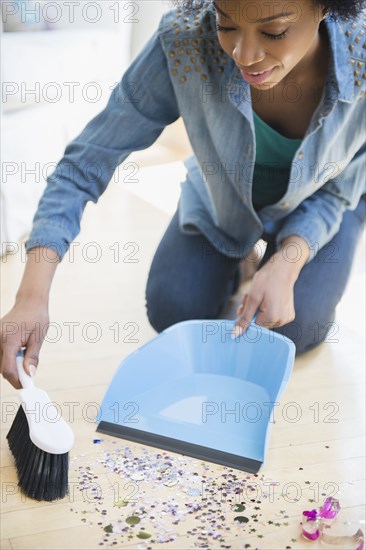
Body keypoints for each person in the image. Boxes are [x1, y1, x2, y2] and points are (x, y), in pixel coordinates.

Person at [1, 0, 365, 389]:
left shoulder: (360, 58)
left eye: (273, 32)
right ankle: (241, 256)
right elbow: (85, 163)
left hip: (324, 203)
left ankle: (267, 258)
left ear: (326, 7)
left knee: (291, 331)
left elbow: (342, 188)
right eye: (226, 26)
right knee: (173, 310)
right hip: (222, 198)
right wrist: (30, 297)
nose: (244, 54)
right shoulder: (186, 40)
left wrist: (288, 261)